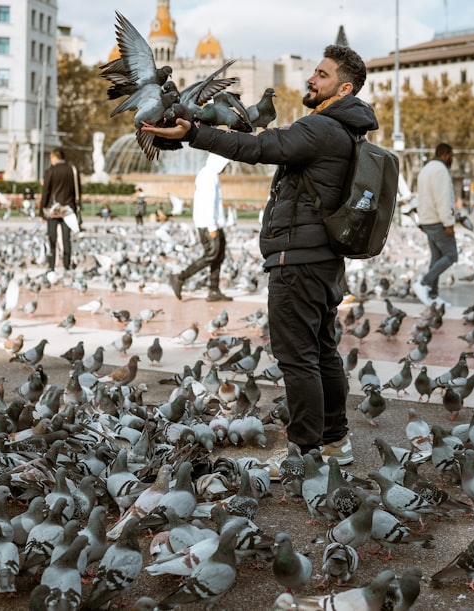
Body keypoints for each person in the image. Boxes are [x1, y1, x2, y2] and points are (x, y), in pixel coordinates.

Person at [143, 44, 375, 465]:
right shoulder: (345, 130)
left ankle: (305, 453)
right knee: (322, 351)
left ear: (343, 88)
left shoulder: (321, 128)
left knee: (298, 358)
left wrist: (194, 134)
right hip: (321, 260)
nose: (310, 79)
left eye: (320, 75)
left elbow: (259, 148)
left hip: (298, 260)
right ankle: (335, 442)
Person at [169, 153, 232, 302]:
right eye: (225, 164)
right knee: (211, 255)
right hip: (207, 224)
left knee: (218, 256)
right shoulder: (208, 176)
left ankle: (214, 290)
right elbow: (208, 202)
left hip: (213, 223)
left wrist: (219, 223)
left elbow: (216, 202)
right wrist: (212, 226)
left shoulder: (210, 174)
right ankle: (180, 277)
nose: (225, 168)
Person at [412, 143, 456, 307]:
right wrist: (448, 222)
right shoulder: (440, 170)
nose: (452, 159)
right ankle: (423, 283)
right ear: (445, 154)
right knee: (451, 255)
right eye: (451, 155)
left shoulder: (426, 169)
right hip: (438, 220)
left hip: (427, 220)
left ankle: (433, 295)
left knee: (437, 257)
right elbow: (442, 199)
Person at [39, 148, 81, 272]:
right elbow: (77, 191)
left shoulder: (50, 171)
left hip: (53, 210)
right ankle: (67, 265)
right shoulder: (72, 170)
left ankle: (51, 266)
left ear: (54, 157)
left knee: (52, 237)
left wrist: (42, 212)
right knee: (66, 238)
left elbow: (45, 192)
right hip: (68, 209)